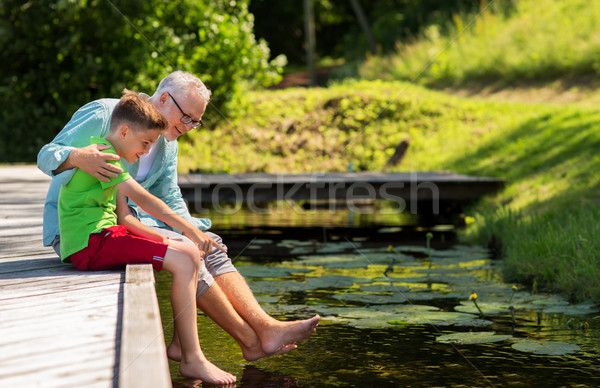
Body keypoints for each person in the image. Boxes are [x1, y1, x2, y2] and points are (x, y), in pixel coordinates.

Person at [38, 71, 320, 362]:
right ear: (163, 98)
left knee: (208, 243)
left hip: (126, 222)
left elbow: (168, 194)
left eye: (195, 122)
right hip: (84, 232)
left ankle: (265, 327)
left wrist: (196, 231)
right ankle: (248, 340)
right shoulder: (107, 114)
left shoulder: (168, 140)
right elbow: (47, 155)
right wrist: (78, 157)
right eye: (187, 117)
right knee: (188, 253)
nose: (188, 127)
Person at [57, 92, 236, 384]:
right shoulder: (105, 155)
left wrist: (173, 240)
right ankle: (192, 359)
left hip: (106, 236)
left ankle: (183, 346)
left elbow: (125, 217)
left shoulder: (114, 156)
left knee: (187, 252)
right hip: (90, 245)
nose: (146, 151)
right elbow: (148, 201)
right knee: (183, 259)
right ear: (124, 131)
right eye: (145, 143)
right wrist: (189, 229)